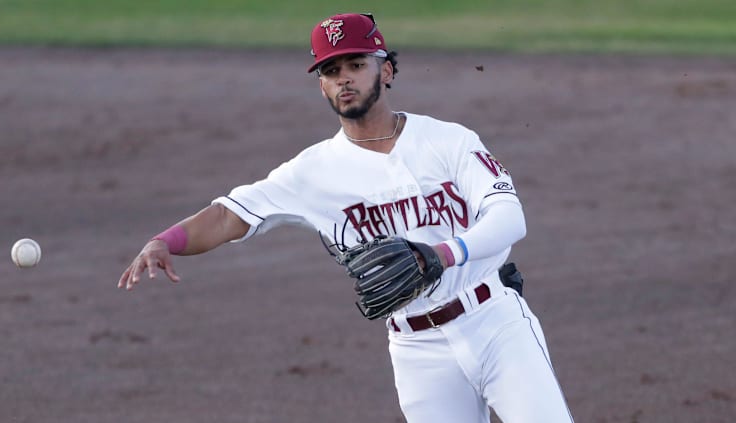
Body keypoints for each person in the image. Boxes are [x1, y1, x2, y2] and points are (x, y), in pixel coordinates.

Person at [118, 12, 574, 423]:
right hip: (416, 349)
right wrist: (165, 240)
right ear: (322, 85)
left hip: (494, 322)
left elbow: (510, 217)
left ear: (386, 70)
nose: (344, 79)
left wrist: (441, 254)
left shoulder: (448, 140)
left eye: (356, 65)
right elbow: (226, 216)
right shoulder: (311, 172)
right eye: (331, 71)